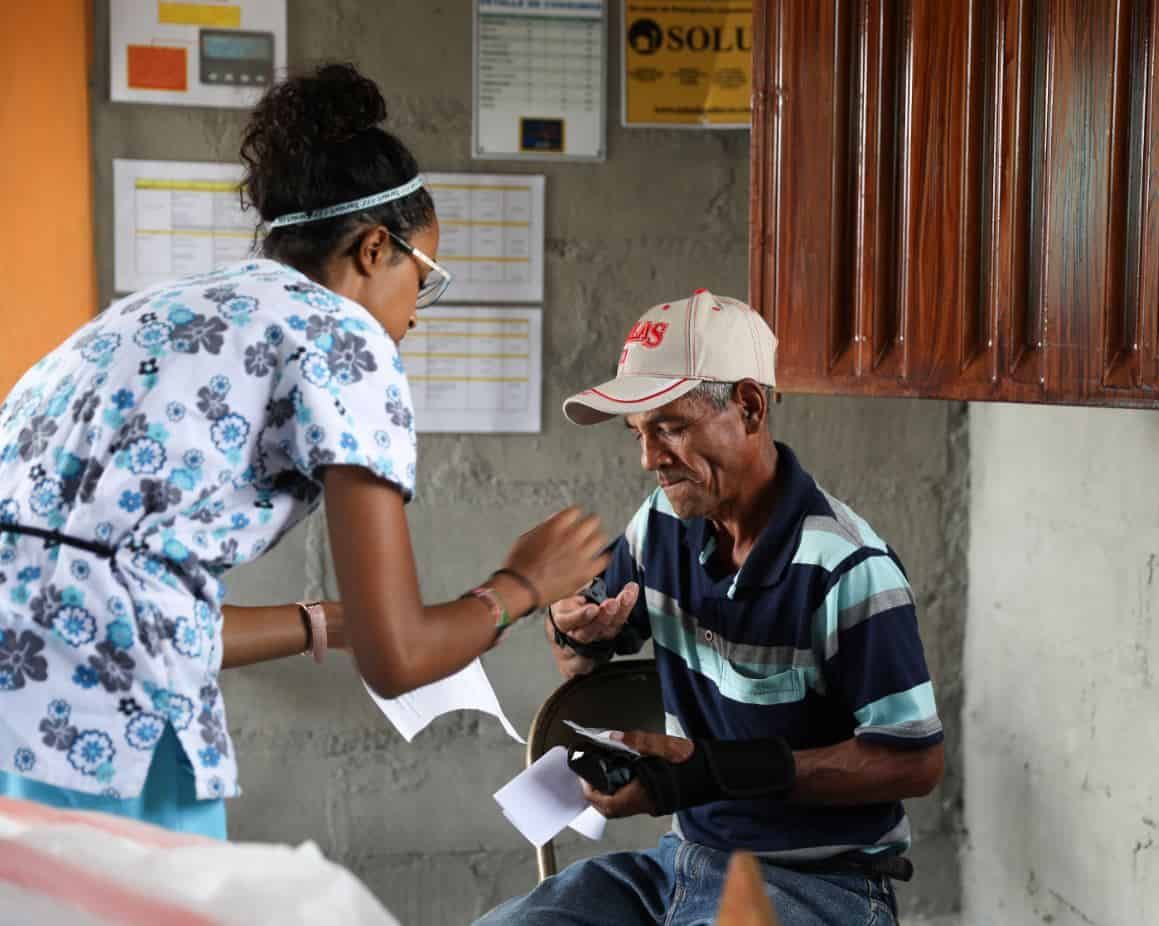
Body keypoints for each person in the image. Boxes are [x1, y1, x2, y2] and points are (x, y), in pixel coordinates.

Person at [0, 63, 607, 839]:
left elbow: (106, 589)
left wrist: (320, 620)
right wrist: (522, 585)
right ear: (374, 249)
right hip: (97, 715)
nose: (417, 315)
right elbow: (399, 659)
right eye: (424, 279)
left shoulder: (163, 313)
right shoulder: (344, 338)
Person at [478, 292, 945, 925]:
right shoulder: (661, 524)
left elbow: (916, 763)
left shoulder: (849, 570)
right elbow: (578, 665)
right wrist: (573, 633)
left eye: (669, 427)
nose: (649, 460)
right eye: (638, 434)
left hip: (819, 883)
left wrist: (707, 774)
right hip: (685, 861)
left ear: (749, 406)